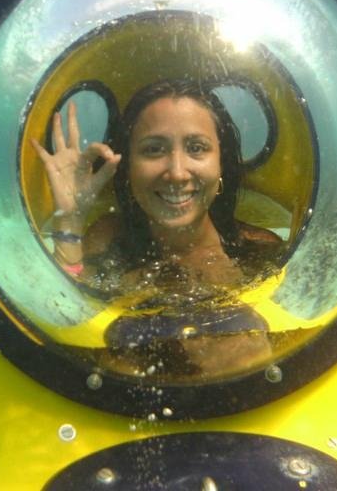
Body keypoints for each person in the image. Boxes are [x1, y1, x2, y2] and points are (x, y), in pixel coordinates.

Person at [31, 79, 283, 379]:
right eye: (153, 150)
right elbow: (64, 316)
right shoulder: (108, 238)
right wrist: (70, 219)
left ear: (221, 165)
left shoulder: (259, 249)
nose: (176, 172)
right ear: (129, 168)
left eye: (197, 148)